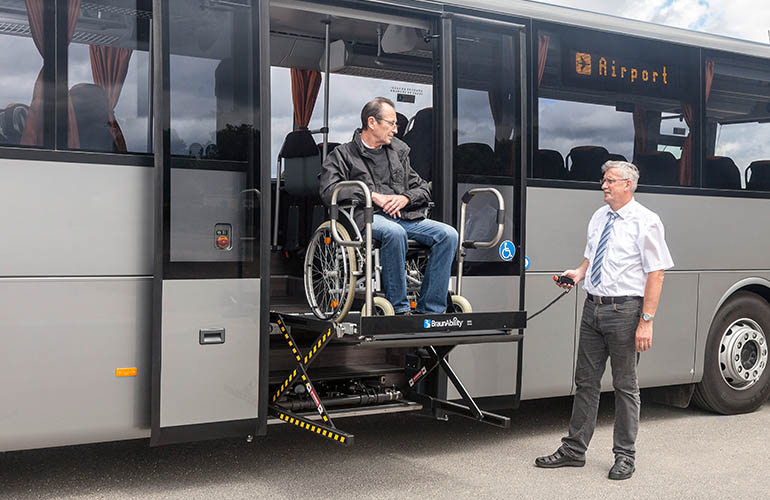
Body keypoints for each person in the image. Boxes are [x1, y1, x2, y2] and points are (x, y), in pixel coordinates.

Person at [535, 160, 674, 480]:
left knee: (626, 386)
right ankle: (574, 449)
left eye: (610, 181)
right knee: (585, 382)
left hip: (625, 311)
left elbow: (657, 273)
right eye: (603, 180)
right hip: (592, 308)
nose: (604, 186)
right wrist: (579, 273)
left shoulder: (646, 221)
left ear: (628, 185)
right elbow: (592, 254)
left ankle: (625, 455)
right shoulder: (599, 217)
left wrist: (647, 320)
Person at [319, 97, 458, 315]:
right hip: (364, 219)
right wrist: (372, 196)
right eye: (391, 123)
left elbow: (422, 187)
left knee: (448, 234)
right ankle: (399, 308)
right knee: (394, 232)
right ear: (372, 122)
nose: (395, 129)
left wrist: (405, 198)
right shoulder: (342, 155)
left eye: (396, 124)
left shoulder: (398, 152)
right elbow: (329, 191)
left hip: (403, 216)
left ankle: (431, 309)